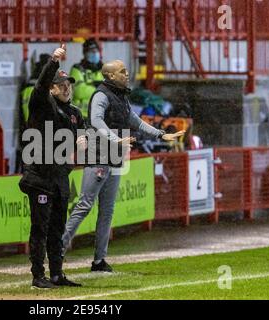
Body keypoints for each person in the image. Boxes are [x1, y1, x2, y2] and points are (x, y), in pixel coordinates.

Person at [62, 60, 185, 272]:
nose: (127, 74)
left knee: (107, 211)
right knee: (85, 206)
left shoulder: (121, 96)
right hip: (98, 156)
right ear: (110, 76)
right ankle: (58, 250)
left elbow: (136, 121)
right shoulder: (101, 96)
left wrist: (161, 134)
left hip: (114, 158)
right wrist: (114, 139)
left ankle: (99, 261)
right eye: (122, 71)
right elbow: (96, 121)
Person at [19, 44, 87, 289]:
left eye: (69, 85)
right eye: (61, 85)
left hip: (60, 178)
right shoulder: (42, 105)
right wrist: (53, 61)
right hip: (40, 178)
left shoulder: (75, 113)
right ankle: (38, 275)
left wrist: (83, 141)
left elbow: (83, 137)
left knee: (57, 229)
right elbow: (39, 86)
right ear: (52, 88)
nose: (67, 89)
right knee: (40, 228)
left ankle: (57, 274)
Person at [70, 39, 104, 119]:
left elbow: (111, 90)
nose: (95, 53)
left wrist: (91, 86)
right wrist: (100, 87)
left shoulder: (104, 69)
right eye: (91, 51)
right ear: (85, 54)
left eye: (96, 51)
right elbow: (79, 91)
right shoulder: (77, 69)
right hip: (81, 116)